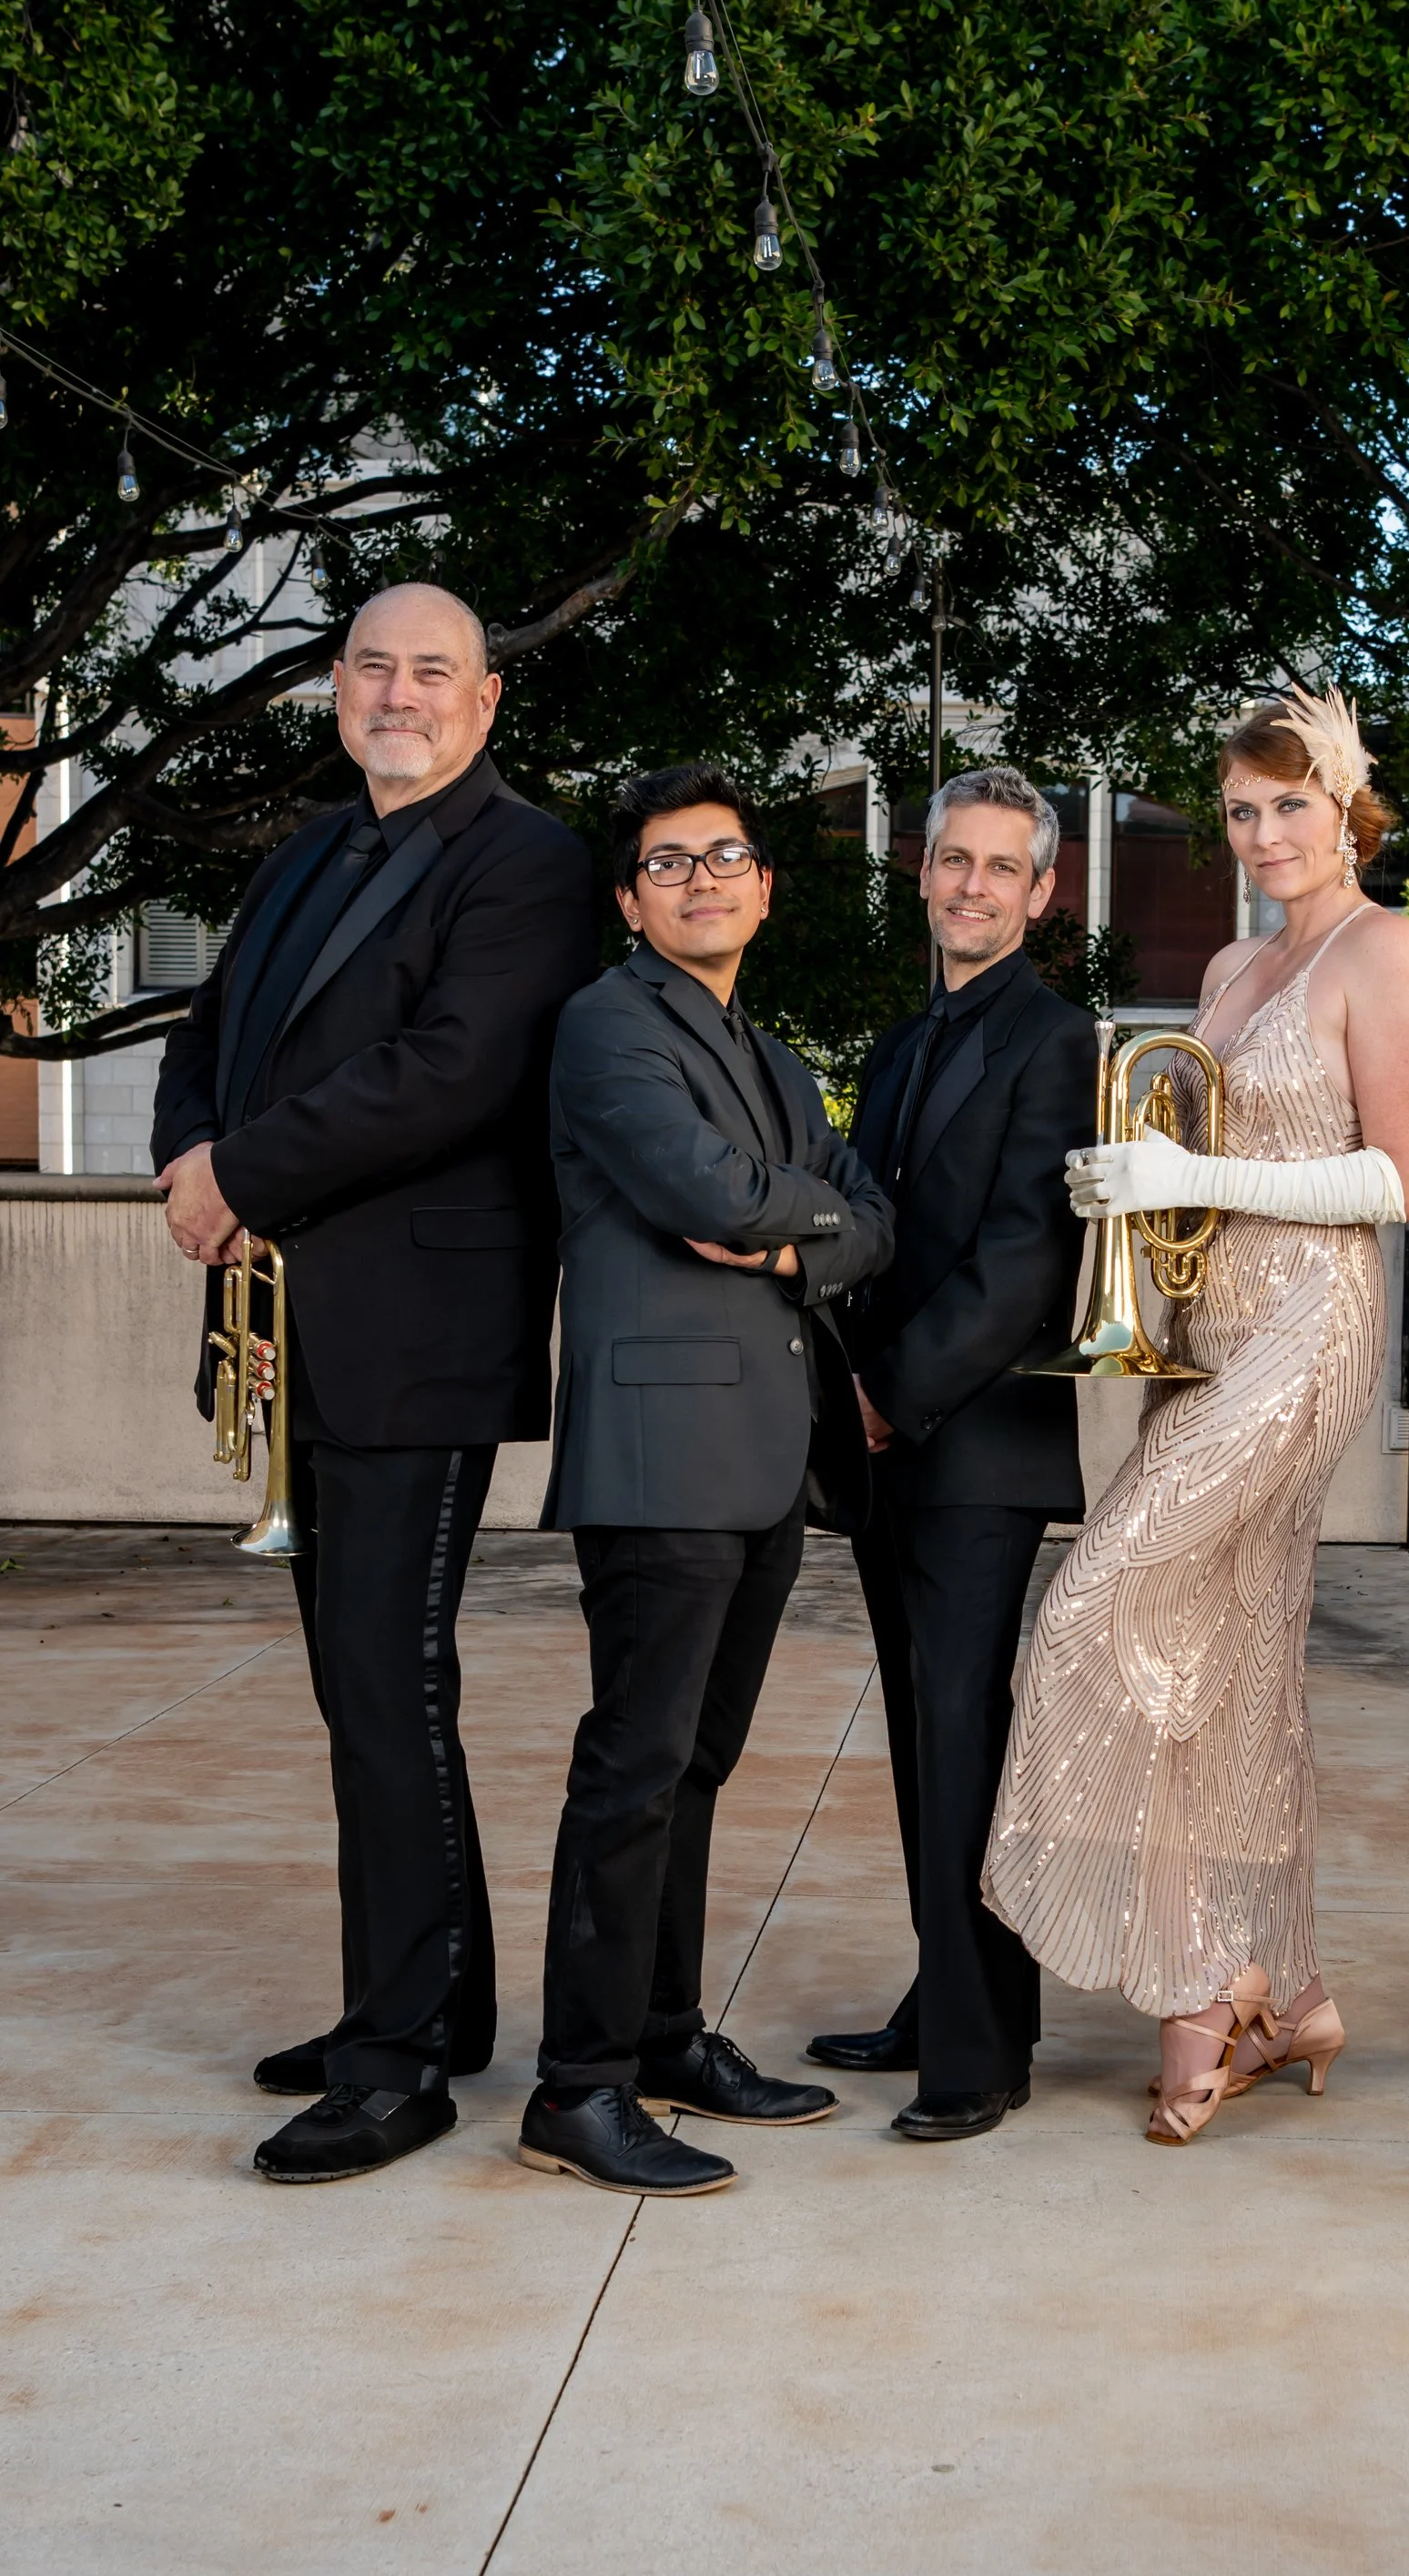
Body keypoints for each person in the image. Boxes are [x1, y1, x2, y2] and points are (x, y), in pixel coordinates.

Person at [151, 582, 598, 2184]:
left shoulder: (530, 861)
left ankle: (397, 2053)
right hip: (295, 1330)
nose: (396, 693)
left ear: (485, 705)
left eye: (432, 672)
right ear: (335, 689)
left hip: (419, 1335)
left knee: (386, 1683)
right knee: (366, 1686)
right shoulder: (302, 851)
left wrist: (243, 1176)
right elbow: (208, 1031)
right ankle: (432, 1996)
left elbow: (452, 1069)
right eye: (371, 666)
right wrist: (185, 1157)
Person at [982, 686, 1409, 2143]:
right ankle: (1290, 1986)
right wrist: (1130, 1181)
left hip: (1309, 1330)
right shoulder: (1246, 958)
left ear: (1347, 807)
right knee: (1230, 1652)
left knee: (1098, 1609)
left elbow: (1403, 1183)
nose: (1261, 834)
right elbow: (1195, 1131)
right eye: (1242, 811)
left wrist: (1200, 1186)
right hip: (1207, 1331)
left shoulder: (1389, 953)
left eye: (1288, 806)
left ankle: (1203, 1972)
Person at [518, 764, 893, 2196]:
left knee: (697, 1763)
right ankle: (580, 2084)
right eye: (668, 864)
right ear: (629, 898)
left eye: (724, 857)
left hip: (760, 1458)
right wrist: (807, 1215)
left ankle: (665, 2034)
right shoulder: (608, 1025)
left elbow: (870, 1210)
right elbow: (712, 1196)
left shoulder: (770, 1052)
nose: (701, 880)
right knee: (632, 1769)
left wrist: (802, 1233)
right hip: (659, 1459)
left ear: (764, 883)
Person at [805, 766, 1097, 2144]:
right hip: (891, 1444)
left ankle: (980, 2056)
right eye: (952, 860)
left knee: (968, 1739)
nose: (971, 883)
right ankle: (954, 1994)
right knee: (929, 1740)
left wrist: (889, 1394)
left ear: (1043, 893)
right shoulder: (908, 1038)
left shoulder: (1059, 1038)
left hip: (972, 1443)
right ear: (922, 874)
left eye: (1001, 866)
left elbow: (1024, 1263)